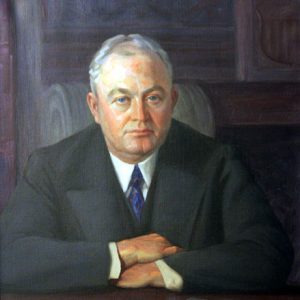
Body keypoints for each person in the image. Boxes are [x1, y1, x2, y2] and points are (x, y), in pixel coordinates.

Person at [1, 34, 293, 293]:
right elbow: (8, 258)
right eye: (122, 100)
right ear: (95, 107)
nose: (140, 116)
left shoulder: (217, 162)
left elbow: (270, 254)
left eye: (153, 98)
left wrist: (162, 271)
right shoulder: (51, 167)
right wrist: (119, 254)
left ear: (173, 100)